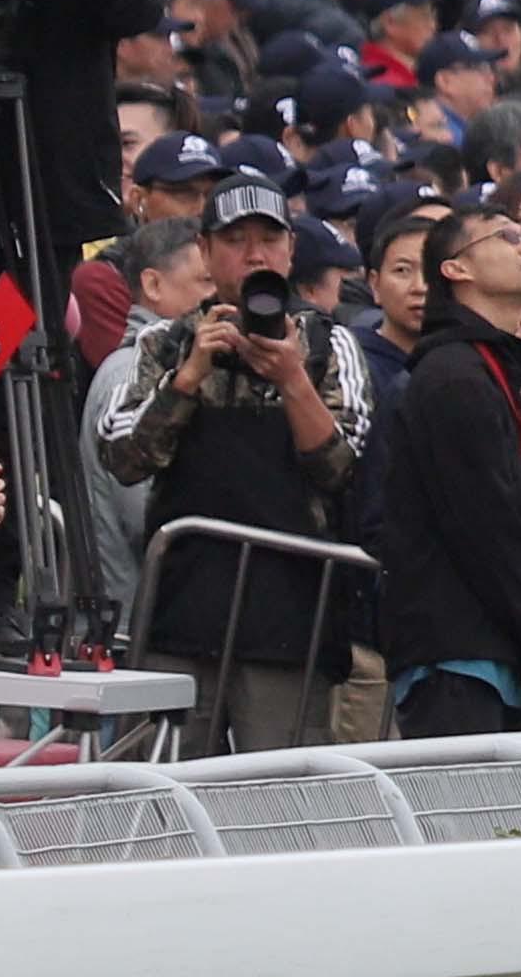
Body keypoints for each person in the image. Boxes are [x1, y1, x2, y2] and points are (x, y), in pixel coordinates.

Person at [93, 174, 370, 751]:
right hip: (182, 613)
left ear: (291, 249)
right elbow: (121, 457)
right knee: (168, 793)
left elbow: (344, 469)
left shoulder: (327, 344)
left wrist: (292, 378)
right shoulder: (165, 343)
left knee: (275, 802)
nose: (255, 254)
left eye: (268, 239)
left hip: (294, 617)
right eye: (236, 239)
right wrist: (191, 375)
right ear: (205, 250)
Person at [370, 206, 521, 736]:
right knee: (466, 818)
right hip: (458, 658)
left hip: (501, 649)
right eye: (506, 236)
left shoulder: (493, 367)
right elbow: (485, 528)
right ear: (455, 269)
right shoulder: (451, 376)